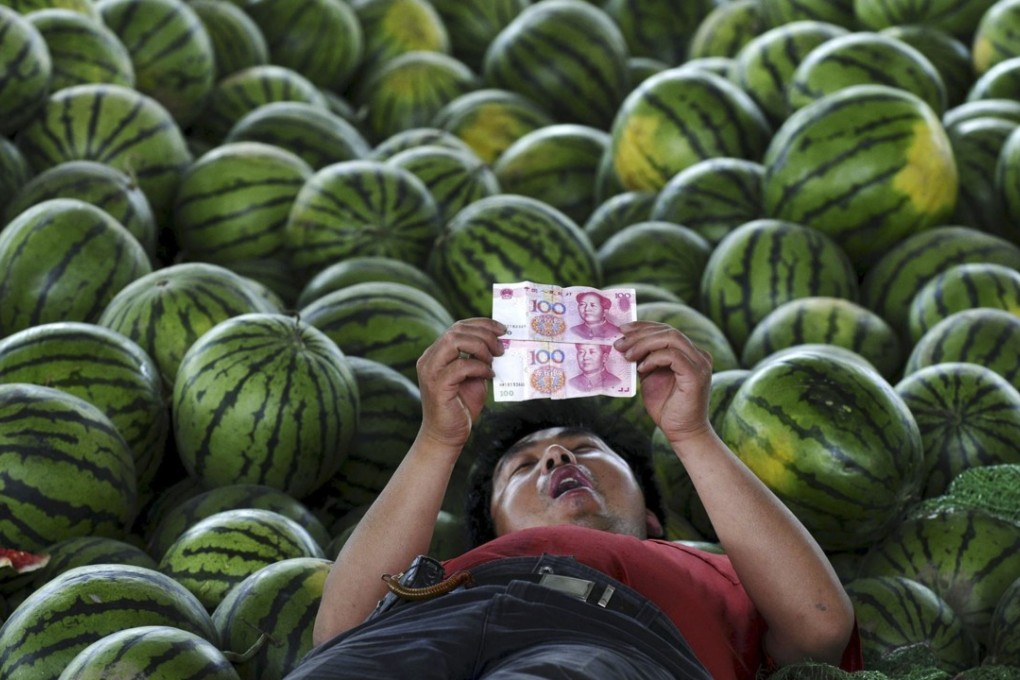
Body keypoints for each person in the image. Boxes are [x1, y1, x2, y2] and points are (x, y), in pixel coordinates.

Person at [290, 318, 862, 679]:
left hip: (612, 641)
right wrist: (439, 438)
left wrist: (691, 433)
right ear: (494, 535)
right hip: (429, 623)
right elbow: (342, 631)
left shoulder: (717, 569)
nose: (557, 459)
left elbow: (820, 628)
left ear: (656, 521)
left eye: (585, 449)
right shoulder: (452, 572)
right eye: (521, 466)